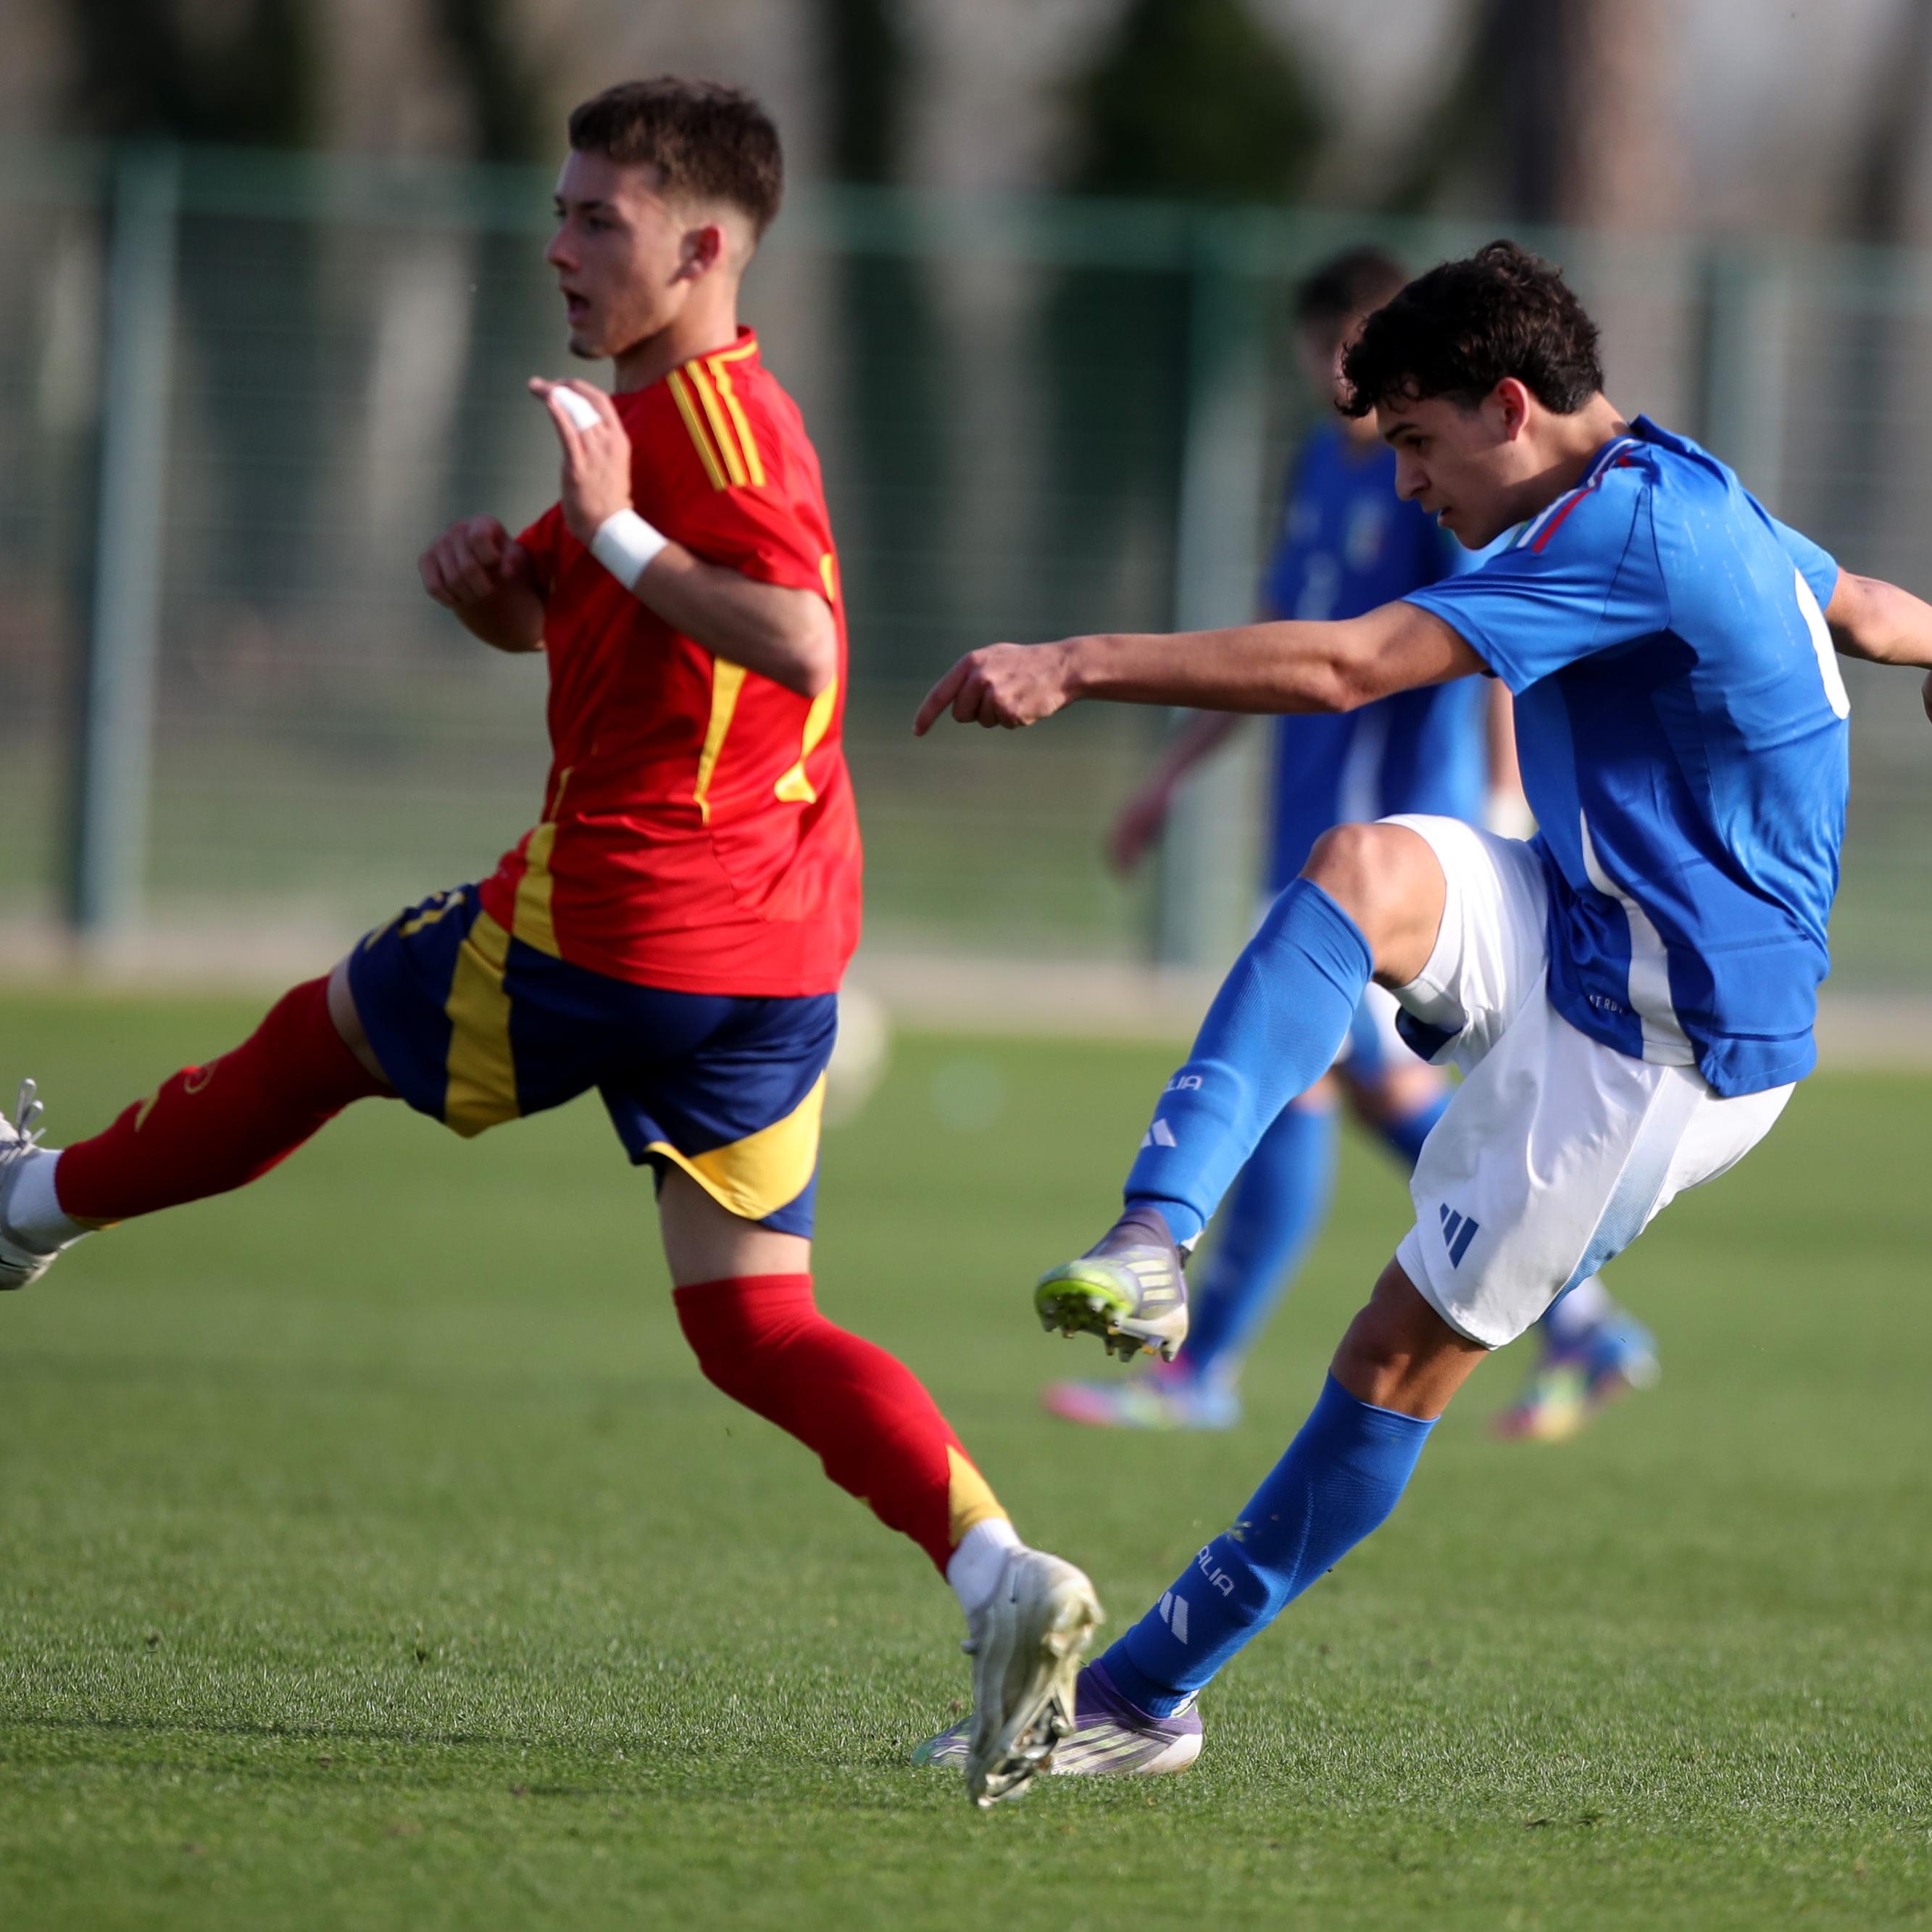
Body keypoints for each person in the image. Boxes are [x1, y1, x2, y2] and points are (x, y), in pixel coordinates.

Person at [0, 77, 1096, 1810]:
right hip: (775, 952)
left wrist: (610, 530)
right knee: (755, 1323)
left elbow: (799, 639)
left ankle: (24, 1208)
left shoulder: (716, 431)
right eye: (562, 209)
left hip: (627, 915)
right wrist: (493, 587)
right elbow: (568, 602)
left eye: (600, 218)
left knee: (315, 1038)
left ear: (706, 247)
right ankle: (998, 1572)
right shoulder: (647, 411)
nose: (559, 246)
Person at [911, 241, 1932, 1778]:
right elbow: (1856, 604)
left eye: (1414, 441)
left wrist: (1075, 659)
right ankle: (1151, 1236)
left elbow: (1344, 667)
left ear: (1509, 406)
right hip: (1586, 922)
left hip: (1673, 1044)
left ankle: (1137, 1702)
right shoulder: (1672, 476)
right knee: (1362, 871)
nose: (1403, 483)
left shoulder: (1631, 526)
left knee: (1393, 1361)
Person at [1045, 245, 1654, 1439]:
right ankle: (1582, 1321)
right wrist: (1168, 776)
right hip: (1315, 836)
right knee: (1354, 1089)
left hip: (1399, 847)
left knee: (1311, 1078)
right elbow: (1279, 641)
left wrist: (1500, 803)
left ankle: (1201, 1365)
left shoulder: (1427, 482)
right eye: (1325, 347)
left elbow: (1489, 641)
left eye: (1360, 346)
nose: (1342, 370)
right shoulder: (1321, 468)